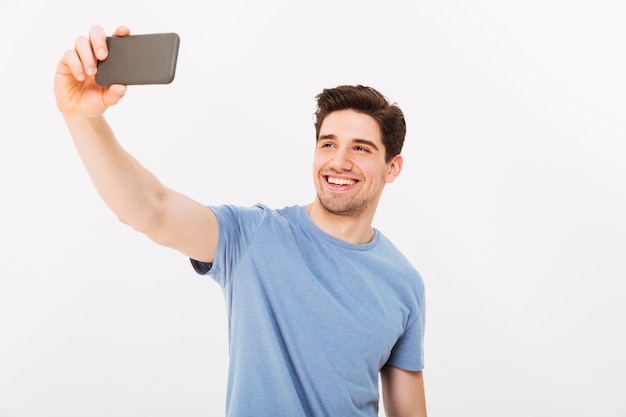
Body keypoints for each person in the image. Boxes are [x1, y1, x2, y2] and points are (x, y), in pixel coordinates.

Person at [54, 25, 427, 417]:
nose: (338, 161)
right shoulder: (253, 236)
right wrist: (81, 118)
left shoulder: (404, 282)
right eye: (328, 143)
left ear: (392, 167)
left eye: (361, 148)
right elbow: (150, 208)